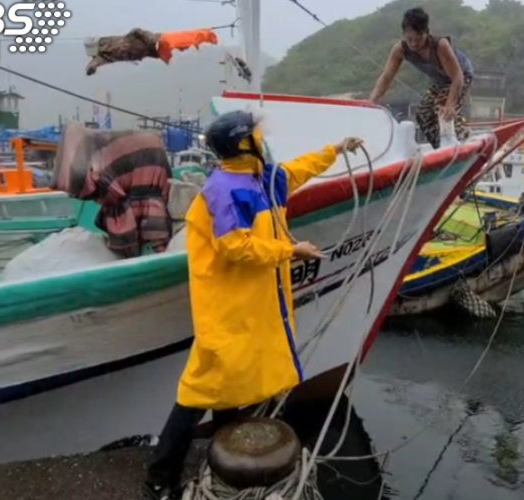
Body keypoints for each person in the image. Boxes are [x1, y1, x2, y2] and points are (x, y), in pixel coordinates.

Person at [143, 110, 364, 499]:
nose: (264, 136)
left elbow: (298, 169)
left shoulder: (262, 178)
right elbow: (235, 246)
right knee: (198, 394)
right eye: (257, 132)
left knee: (232, 389)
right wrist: (291, 250)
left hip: (250, 307)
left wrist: (335, 150)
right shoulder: (223, 190)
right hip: (227, 311)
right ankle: (160, 478)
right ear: (242, 141)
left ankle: (221, 464)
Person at [367, 7, 475, 149]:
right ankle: (439, 147)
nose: (414, 44)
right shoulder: (400, 49)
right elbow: (386, 77)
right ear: (403, 34)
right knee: (423, 114)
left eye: (418, 39)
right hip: (441, 81)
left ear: (427, 33)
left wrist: (450, 105)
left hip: (460, 75)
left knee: (442, 109)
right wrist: (372, 101)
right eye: (409, 39)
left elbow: (457, 77)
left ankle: (462, 137)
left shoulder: (440, 45)